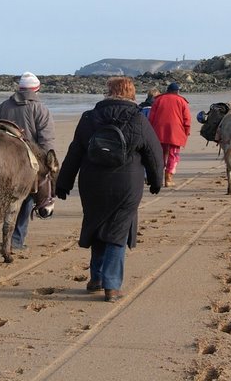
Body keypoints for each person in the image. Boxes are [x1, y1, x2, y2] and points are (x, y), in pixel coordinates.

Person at [55, 77, 163, 302]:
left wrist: (63, 183)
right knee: (118, 231)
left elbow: (75, 152)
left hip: (92, 183)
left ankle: (96, 278)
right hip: (126, 184)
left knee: (97, 227)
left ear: (108, 92)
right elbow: (154, 153)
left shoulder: (89, 117)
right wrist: (156, 180)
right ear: (131, 93)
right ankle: (111, 286)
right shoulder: (138, 119)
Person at [0, 71, 55, 251]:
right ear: (37, 89)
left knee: (6, 198)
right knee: (27, 198)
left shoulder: (2, 107)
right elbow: (46, 140)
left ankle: (5, 236)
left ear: (19, 89)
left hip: (2, 160)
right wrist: (48, 163)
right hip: (28, 162)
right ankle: (16, 239)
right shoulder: (41, 109)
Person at [148, 82, 191, 187]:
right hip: (175, 132)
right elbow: (187, 119)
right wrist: (186, 132)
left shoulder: (158, 100)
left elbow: (151, 118)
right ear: (177, 91)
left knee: (160, 155)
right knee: (173, 154)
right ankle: (169, 177)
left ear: (167, 90)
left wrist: (150, 132)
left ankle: (158, 177)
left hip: (159, 131)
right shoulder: (181, 101)